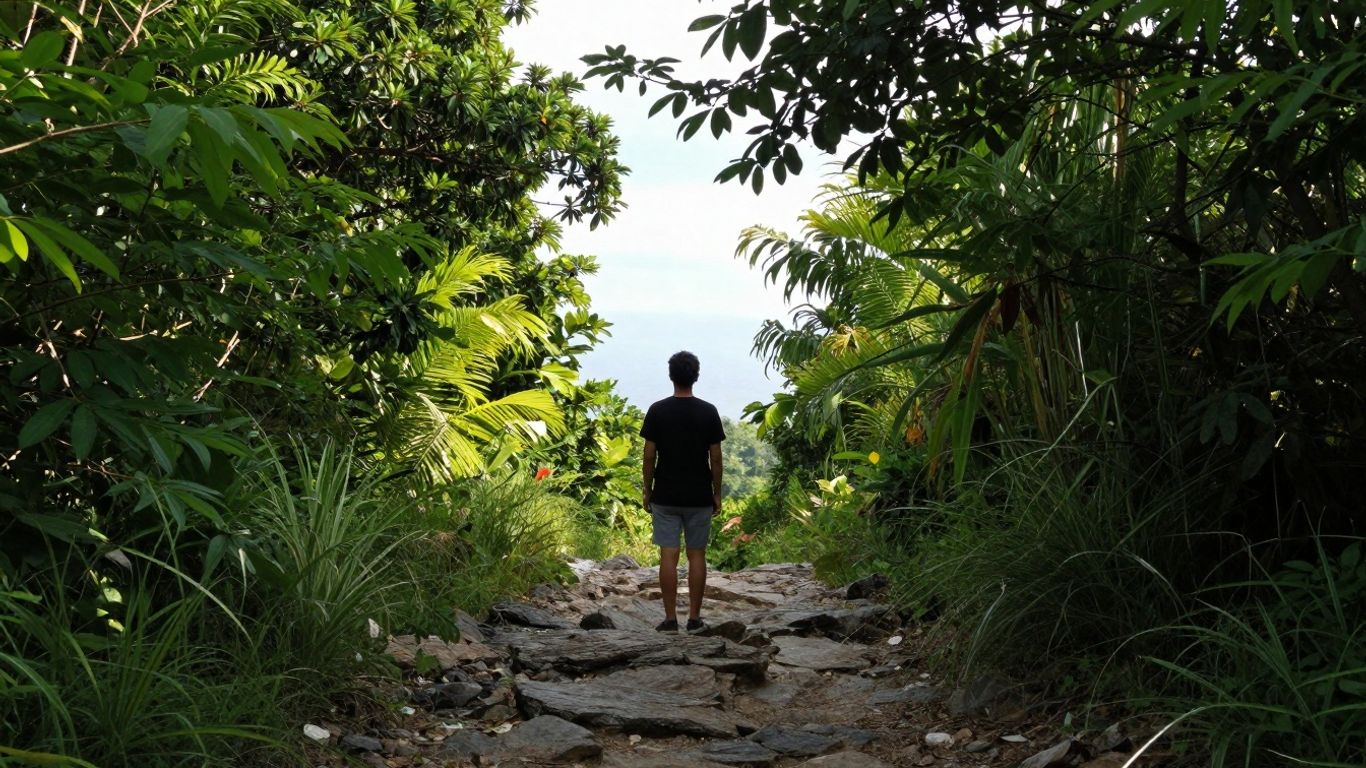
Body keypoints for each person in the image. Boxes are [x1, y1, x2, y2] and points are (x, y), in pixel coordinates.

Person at [640, 351, 725, 633]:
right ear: (696, 376)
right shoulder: (708, 412)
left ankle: (669, 619)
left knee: (668, 555)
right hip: (699, 495)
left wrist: (647, 490)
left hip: (665, 495)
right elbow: (716, 458)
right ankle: (694, 618)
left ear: (671, 375)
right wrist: (716, 493)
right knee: (697, 555)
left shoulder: (657, 411)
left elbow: (649, 455)